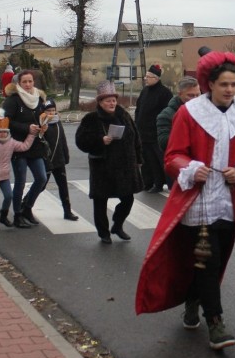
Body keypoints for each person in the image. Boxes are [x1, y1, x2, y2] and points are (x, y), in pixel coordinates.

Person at [135, 52, 235, 351]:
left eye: (234, 84)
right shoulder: (189, 112)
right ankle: (216, 322)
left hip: (228, 202)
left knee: (208, 260)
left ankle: (194, 300)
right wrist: (192, 168)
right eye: (224, 84)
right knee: (209, 259)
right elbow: (172, 156)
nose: (230, 90)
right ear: (210, 84)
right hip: (196, 203)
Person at [75, 81, 143, 243]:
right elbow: (81, 141)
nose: (112, 103)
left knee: (128, 199)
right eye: (107, 100)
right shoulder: (91, 119)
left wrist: (139, 159)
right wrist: (100, 141)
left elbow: (136, 138)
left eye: (113, 100)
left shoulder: (124, 115)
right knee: (100, 202)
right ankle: (103, 233)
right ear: (99, 102)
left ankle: (117, 225)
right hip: (102, 168)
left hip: (125, 167)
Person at [2, 69, 48, 226]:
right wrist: (26, 128)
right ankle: (17, 215)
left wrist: (44, 127)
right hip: (18, 146)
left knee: (41, 178)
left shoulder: (39, 99)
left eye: (30, 81)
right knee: (20, 181)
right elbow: (5, 121)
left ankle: (27, 207)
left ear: (34, 82)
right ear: (18, 83)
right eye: (24, 82)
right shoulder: (13, 100)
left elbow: (43, 118)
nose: (28, 84)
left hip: (35, 146)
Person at [0, 114, 37, 231]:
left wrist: (31, 134)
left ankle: (3, 216)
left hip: (4, 176)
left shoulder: (10, 142)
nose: (2, 134)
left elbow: (24, 147)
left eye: (4, 131)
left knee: (9, 196)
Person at [135, 64, 173, 193]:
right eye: (145, 76)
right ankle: (147, 182)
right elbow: (138, 108)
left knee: (159, 160)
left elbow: (167, 113)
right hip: (143, 133)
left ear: (156, 78)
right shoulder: (144, 91)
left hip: (156, 133)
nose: (146, 79)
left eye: (148, 77)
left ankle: (161, 183)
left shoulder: (165, 93)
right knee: (147, 161)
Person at [42, 99, 78, 221]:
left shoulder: (58, 123)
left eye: (53, 110)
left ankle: (67, 211)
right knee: (41, 186)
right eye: (48, 111)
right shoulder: (42, 124)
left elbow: (62, 139)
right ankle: (25, 206)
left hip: (59, 160)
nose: (51, 113)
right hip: (47, 161)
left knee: (63, 186)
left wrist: (66, 156)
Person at [156, 76, 201, 152]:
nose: (195, 99)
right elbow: (163, 142)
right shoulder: (166, 115)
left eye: (198, 95)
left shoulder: (205, 111)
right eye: (191, 95)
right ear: (180, 94)